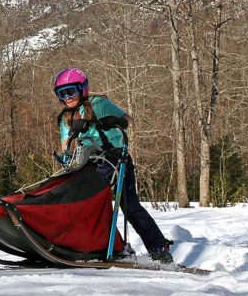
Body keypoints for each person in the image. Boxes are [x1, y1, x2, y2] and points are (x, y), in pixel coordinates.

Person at [52, 67, 174, 263]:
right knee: (84, 204)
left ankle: (159, 247)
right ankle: (93, 244)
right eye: (62, 93)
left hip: (115, 158)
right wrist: (75, 132)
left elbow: (127, 120)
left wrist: (110, 121)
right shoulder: (65, 117)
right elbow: (65, 145)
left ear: (82, 89)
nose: (67, 97)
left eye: (71, 91)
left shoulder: (98, 104)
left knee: (129, 206)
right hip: (88, 163)